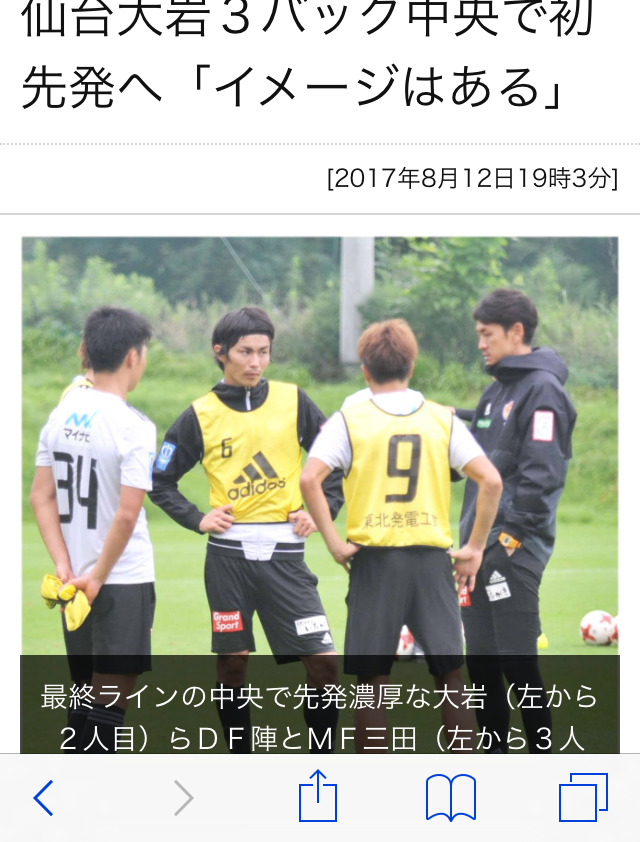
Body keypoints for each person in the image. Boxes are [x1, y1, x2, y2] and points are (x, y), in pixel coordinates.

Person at [300, 319, 502, 753]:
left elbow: (309, 479)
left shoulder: (349, 420)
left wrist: (334, 543)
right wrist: (474, 548)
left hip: (374, 561)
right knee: (450, 676)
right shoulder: (442, 418)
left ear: (364, 370)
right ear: (412, 365)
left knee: (372, 681)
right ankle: (466, 777)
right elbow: (491, 481)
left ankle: (376, 784)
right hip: (431, 561)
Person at [149, 305, 342, 753]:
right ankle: (241, 759)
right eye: (245, 352)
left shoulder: (295, 401)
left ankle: (323, 762)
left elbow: (336, 461)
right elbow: (159, 481)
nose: (256, 362)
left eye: (264, 352)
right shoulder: (199, 414)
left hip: (286, 559)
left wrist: (322, 511)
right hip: (227, 561)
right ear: (220, 352)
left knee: (325, 665)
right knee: (233, 665)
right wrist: (197, 518)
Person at [30, 306, 156, 753]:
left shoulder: (61, 413)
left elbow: (40, 497)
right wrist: (99, 576)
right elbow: (126, 514)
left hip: (74, 579)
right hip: (120, 579)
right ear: (133, 357)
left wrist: (65, 565)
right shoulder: (134, 426)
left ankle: (62, 786)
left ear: (87, 351)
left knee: (84, 694)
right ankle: (92, 790)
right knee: (109, 702)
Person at [458, 288, 577, 753]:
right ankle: (494, 761)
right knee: (482, 666)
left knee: (518, 664)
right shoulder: (496, 391)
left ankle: (542, 761)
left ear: (516, 332)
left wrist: (510, 537)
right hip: (476, 548)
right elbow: (480, 444)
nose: (481, 343)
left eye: (487, 334)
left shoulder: (543, 390)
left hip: (512, 547)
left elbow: (543, 472)